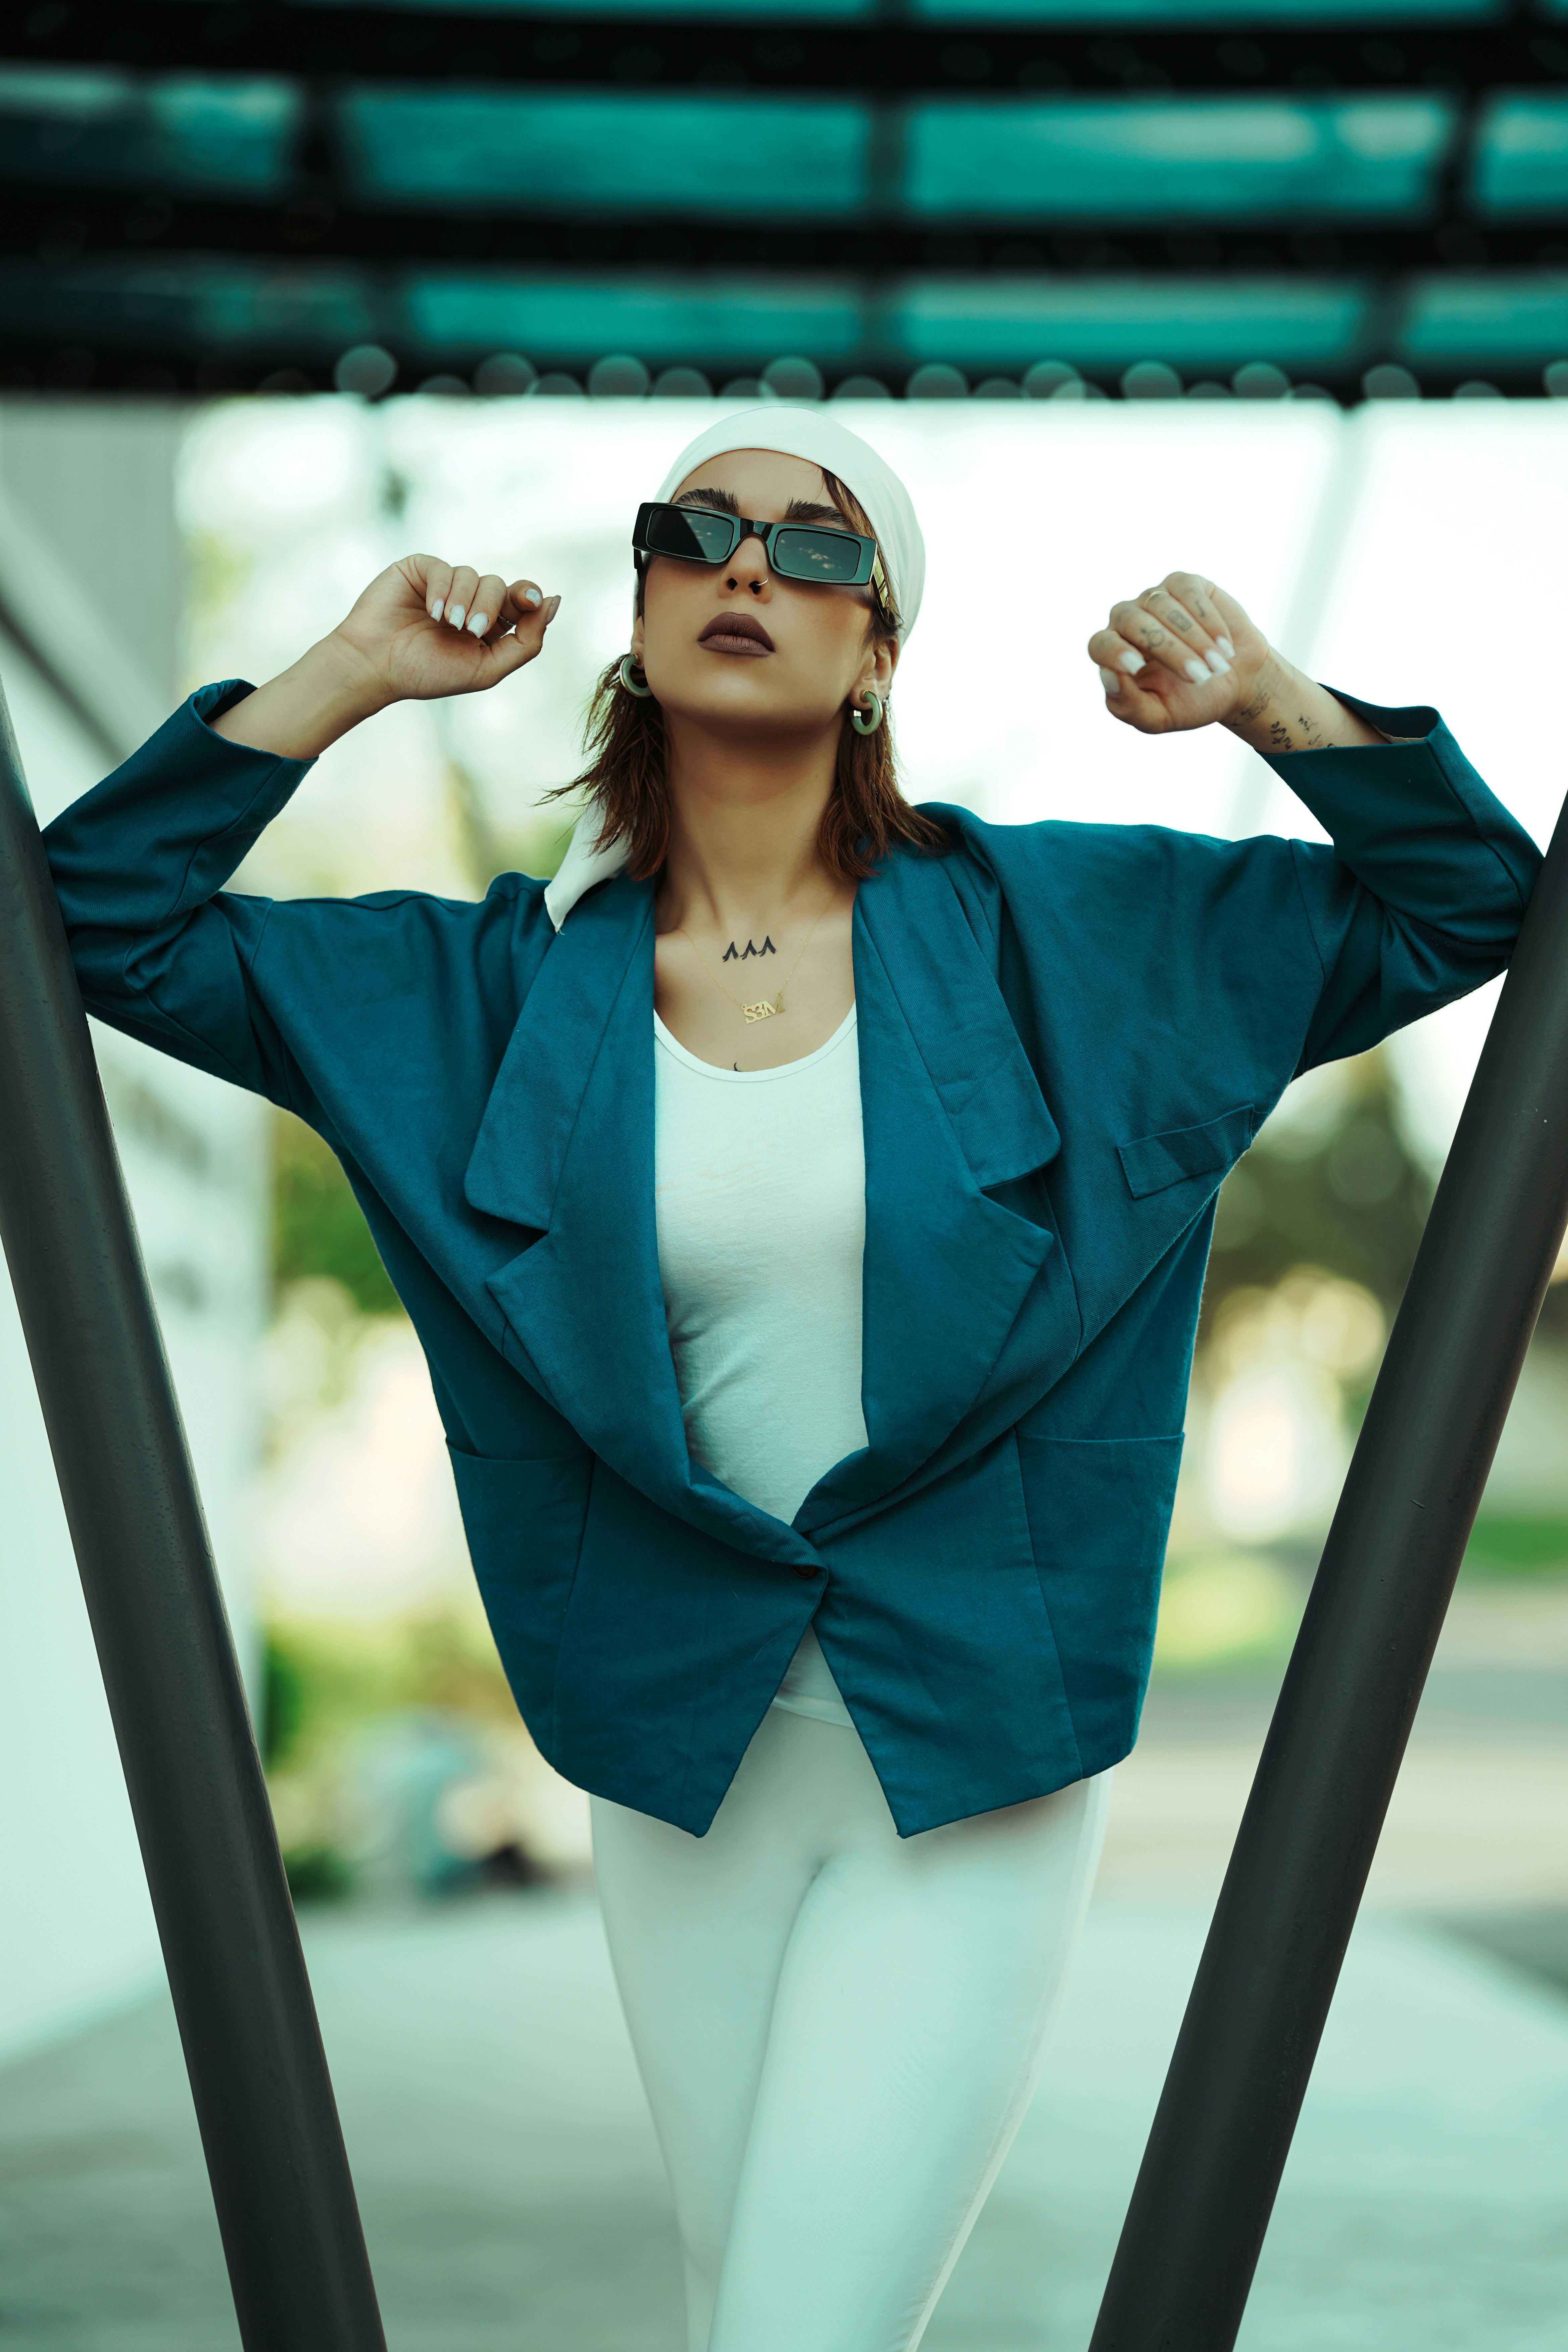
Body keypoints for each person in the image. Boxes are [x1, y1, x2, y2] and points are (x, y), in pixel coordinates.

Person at [42, 408, 1539, 2352]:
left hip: (968, 1754)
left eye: (818, 546)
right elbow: (90, 921)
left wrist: (1269, 703)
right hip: (679, 1757)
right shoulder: (488, 990)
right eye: (697, 530)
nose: (747, 566)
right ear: (640, 598)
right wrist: (349, 674)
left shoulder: (1069, 939)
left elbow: (1474, 904)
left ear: (879, 650)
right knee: (738, 2306)